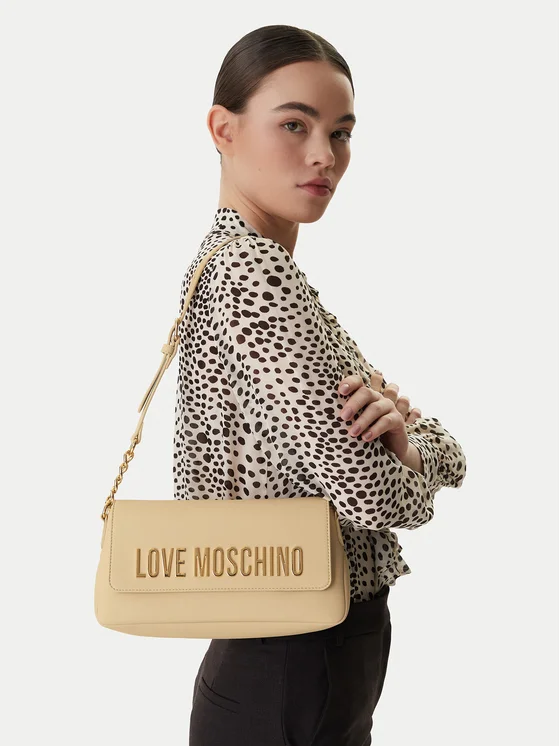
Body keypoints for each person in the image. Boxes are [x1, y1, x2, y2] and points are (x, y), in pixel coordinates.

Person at [174, 24, 467, 746]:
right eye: (294, 125)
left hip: (292, 658)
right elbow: (374, 495)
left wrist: (408, 443)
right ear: (223, 129)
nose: (324, 156)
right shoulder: (255, 275)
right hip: (291, 659)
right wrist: (416, 454)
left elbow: (398, 446)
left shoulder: (242, 265)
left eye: (341, 132)